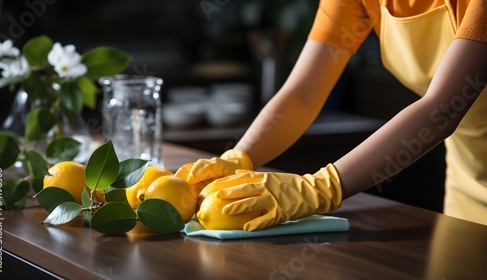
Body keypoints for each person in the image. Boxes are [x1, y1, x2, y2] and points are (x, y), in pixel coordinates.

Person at [176, 0, 487, 231]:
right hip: (465, 191)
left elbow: (444, 108)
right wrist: (238, 158)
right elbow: (303, 93)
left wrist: (321, 188)